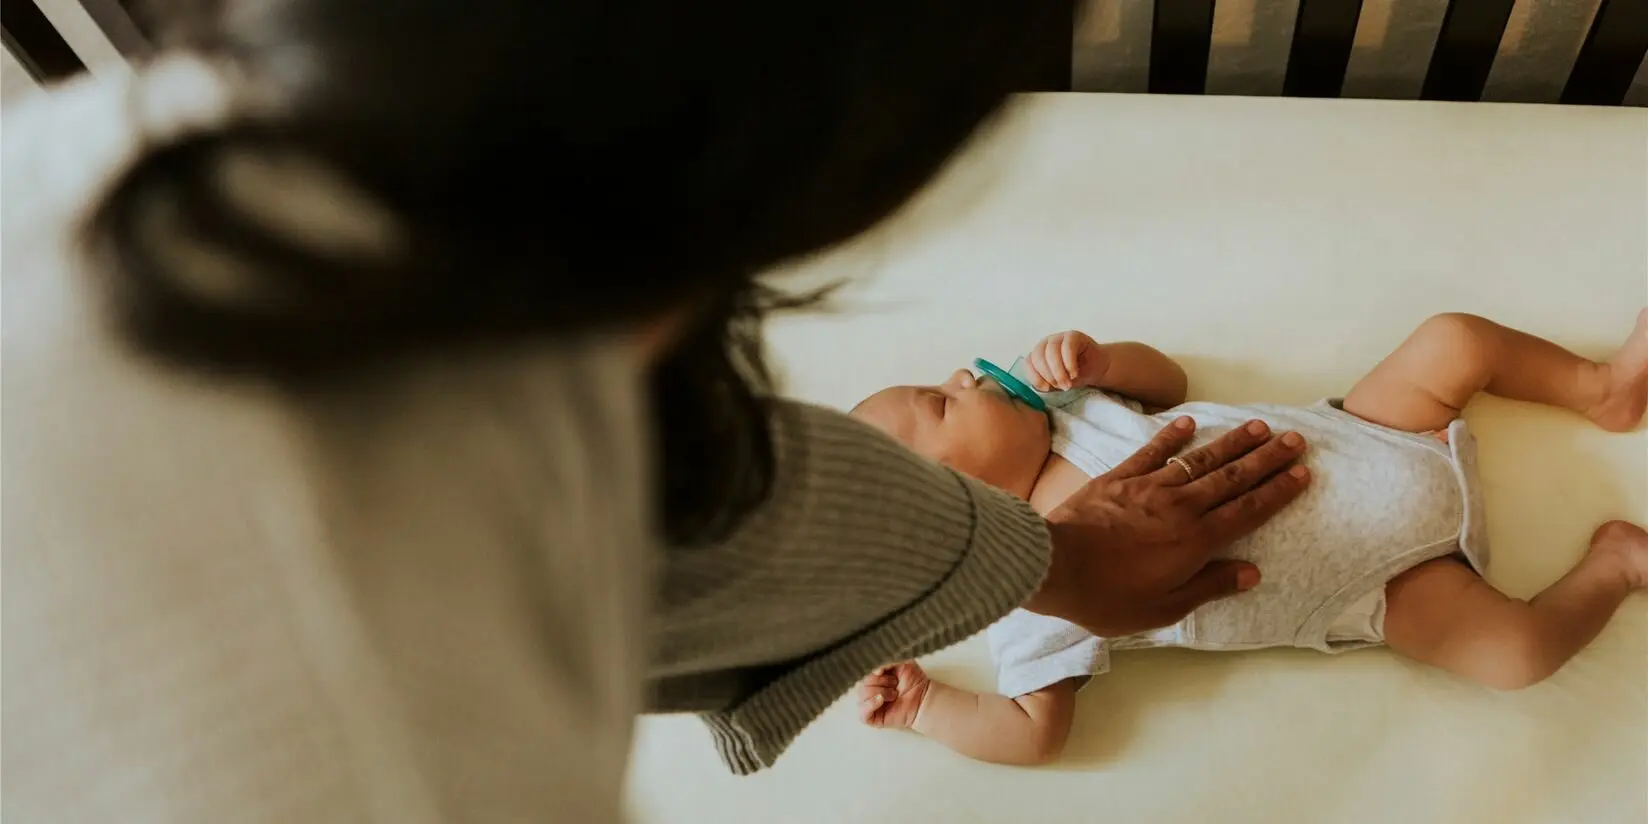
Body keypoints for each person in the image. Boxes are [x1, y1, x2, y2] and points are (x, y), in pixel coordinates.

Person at [2, 2, 1311, 821]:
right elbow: (1024, 720)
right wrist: (950, 680)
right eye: (923, 406)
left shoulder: (169, 137)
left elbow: (730, 492)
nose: (959, 388)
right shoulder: (407, 757)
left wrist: (1063, 534)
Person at [850, 315, 1648, 765]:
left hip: (1369, 431)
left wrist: (1102, 359)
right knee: (1515, 655)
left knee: (1453, 341)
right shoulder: (1029, 594)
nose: (962, 376)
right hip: (1384, 586)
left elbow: (1169, 386)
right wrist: (928, 706)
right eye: (940, 402)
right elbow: (1035, 732)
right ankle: (1614, 564)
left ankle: (1602, 391)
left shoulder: (1071, 408)